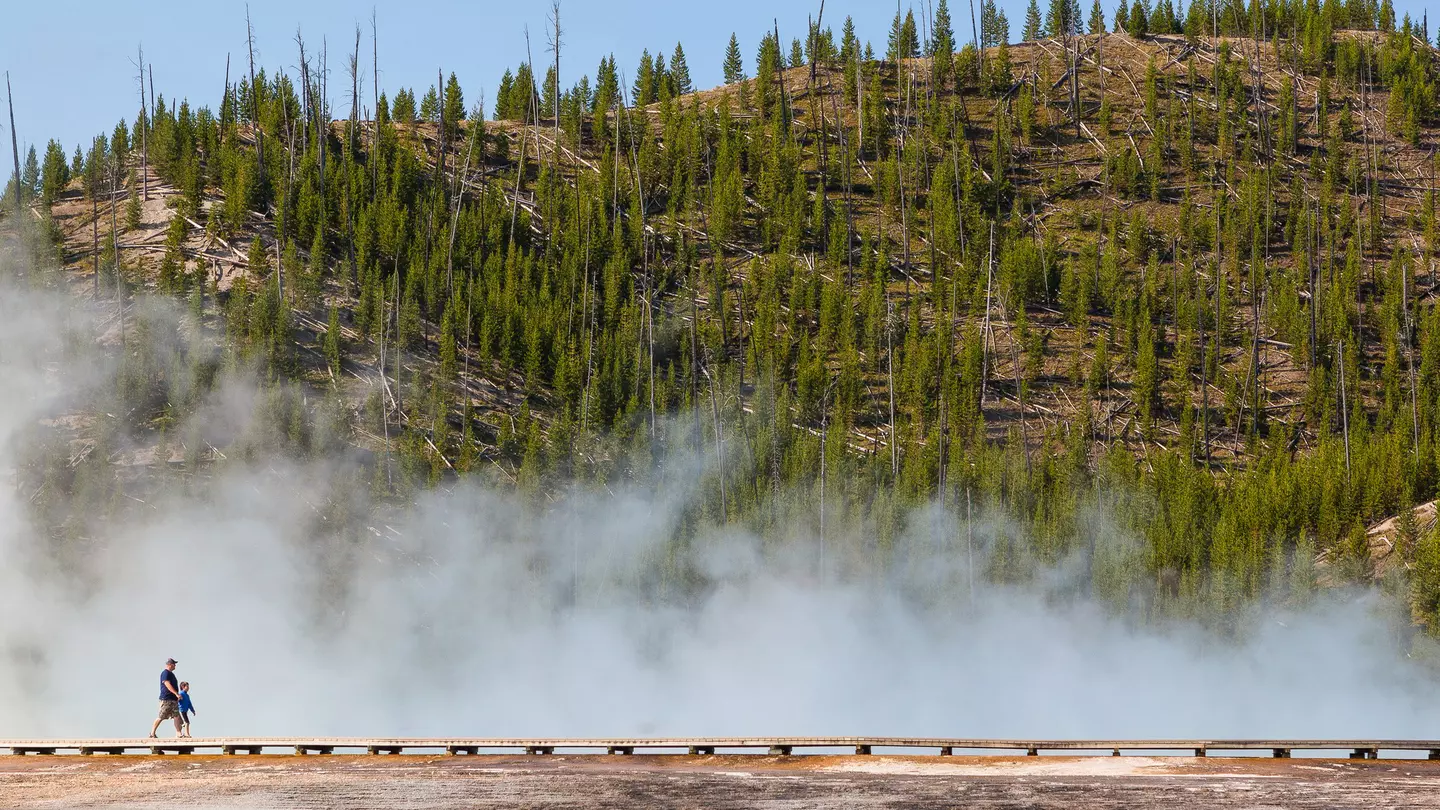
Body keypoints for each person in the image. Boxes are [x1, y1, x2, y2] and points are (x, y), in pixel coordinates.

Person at [149, 658, 182, 738]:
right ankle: (152, 733)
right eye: (174, 664)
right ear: (170, 664)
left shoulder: (171, 674)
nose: (175, 666)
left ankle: (178, 733)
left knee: (176, 716)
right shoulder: (165, 673)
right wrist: (176, 693)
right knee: (161, 716)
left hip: (173, 699)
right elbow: (167, 684)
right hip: (166, 699)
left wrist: (176, 697)